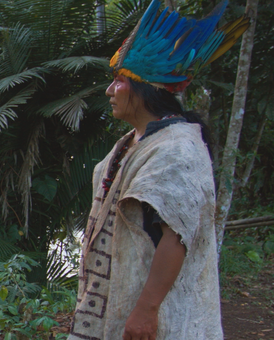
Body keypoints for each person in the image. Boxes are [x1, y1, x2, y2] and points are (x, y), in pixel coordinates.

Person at [68, 1, 248, 339]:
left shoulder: (177, 148)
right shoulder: (132, 141)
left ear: (145, 89)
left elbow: (175, 234)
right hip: (117, 299)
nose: (109, 91)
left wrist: (146, 310)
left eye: (119, 82)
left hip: (153, 315)